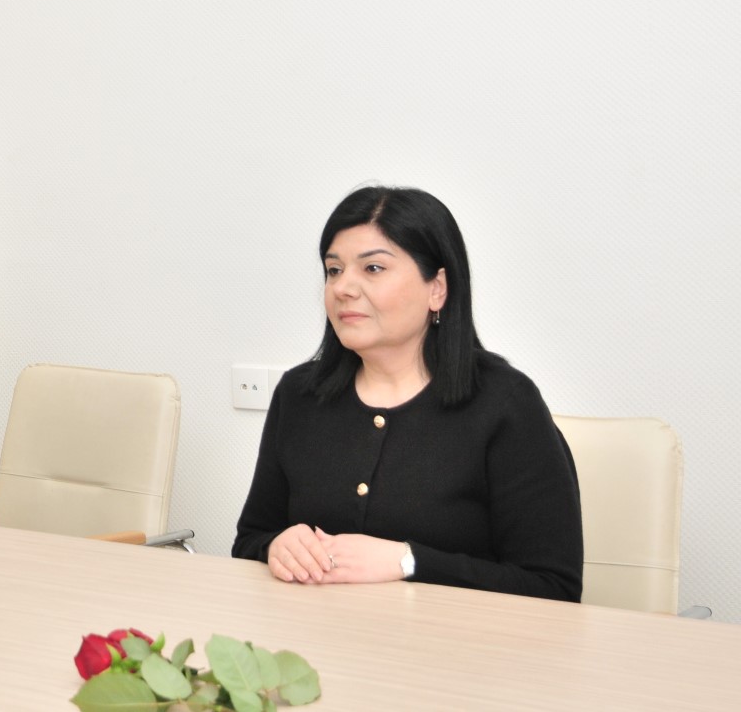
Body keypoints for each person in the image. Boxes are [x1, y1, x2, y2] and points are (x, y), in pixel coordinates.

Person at [232, 186, 583, 602]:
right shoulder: (299, 394)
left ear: (437, 288)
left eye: (373, 268)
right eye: (334, 270)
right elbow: (250, 540)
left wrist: (409, 562)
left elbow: (553, 588)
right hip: (312, 636)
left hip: (455, 641)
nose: (343, 288)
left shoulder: (505, 403)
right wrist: (276, 546)